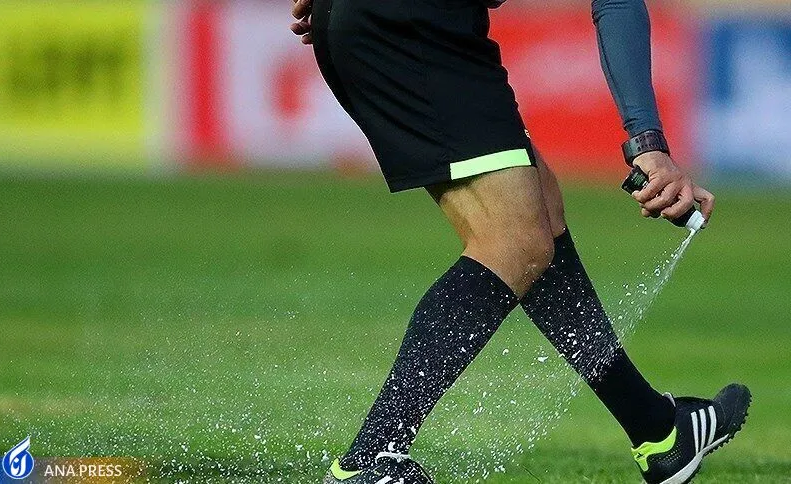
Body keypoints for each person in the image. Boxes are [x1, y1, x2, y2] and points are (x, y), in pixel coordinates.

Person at [289, 0, 751, 482]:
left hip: (377, 21)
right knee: (514, 241)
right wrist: (647, 144)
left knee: (539, 211)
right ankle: (371, 458)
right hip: (414, 25)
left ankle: (658, 430)